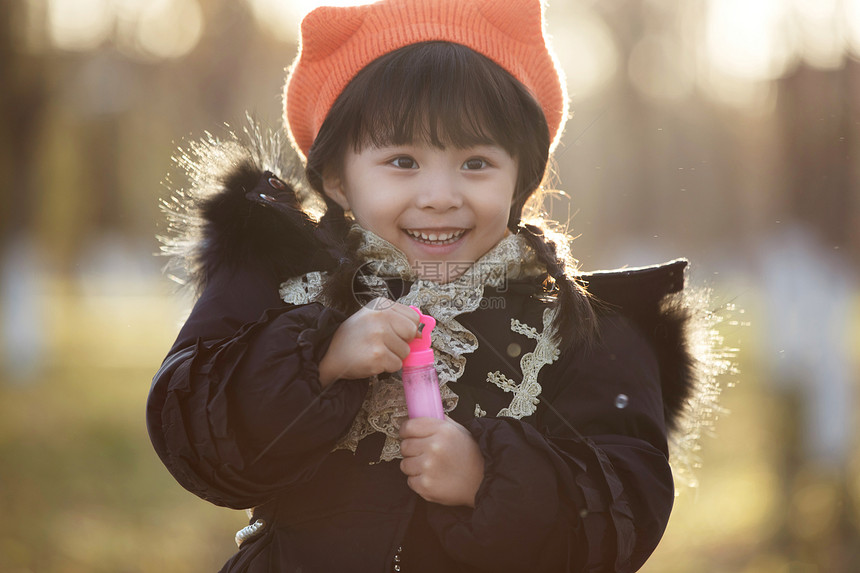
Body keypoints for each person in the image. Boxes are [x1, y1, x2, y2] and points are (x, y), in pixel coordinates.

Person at [147, 0, 702, 570]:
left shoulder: (583, 331)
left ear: (521, 179)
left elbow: (624, 511)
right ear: (338, 178)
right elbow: (196, 440)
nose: (440, 195)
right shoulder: (281, 285)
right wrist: (318, 358)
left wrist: (490, 477)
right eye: (403, 160)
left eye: (476, 162)